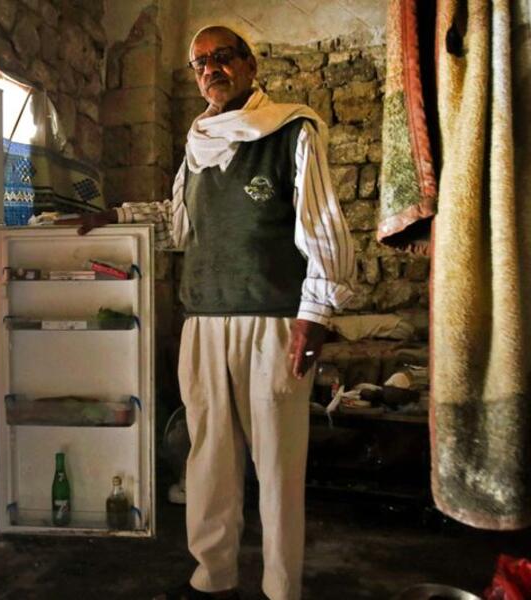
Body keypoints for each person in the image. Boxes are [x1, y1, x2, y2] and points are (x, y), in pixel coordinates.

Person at [69, 25, 354, 600]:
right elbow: (179, 225)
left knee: (277, 466)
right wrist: (118, 220)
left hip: (274, 322)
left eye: (223, 58)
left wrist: (314, 314)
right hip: (203, 322)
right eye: (200, 62)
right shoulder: (197, 146)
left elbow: (323, 229)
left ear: (250, 66)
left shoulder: (290, 131)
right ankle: (214, 577)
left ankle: (281, 587)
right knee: (209, 460)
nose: (211, 69)